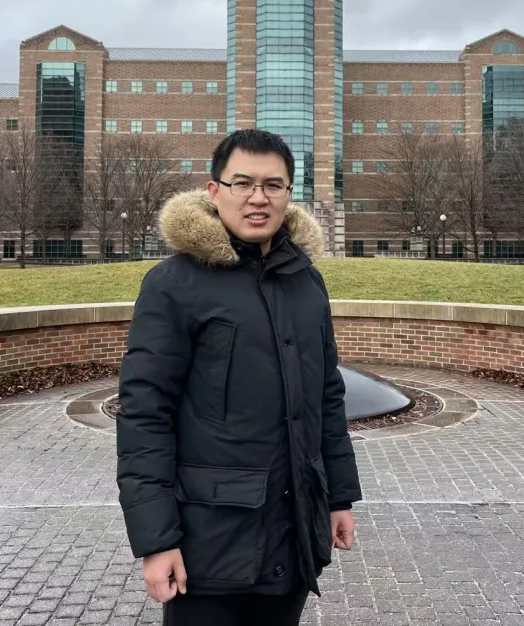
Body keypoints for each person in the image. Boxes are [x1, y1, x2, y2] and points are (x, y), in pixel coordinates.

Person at [116, 128, 362, 626]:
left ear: (289, 193)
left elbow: (326, 397)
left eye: (273, 185)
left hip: (292, 537)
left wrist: (338, 497)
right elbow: (145, 414)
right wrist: (156, 540)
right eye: (243, 183)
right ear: (214, 191)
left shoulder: (306, 282)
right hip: (209, 546)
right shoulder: (173, 285)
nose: (258, 198)